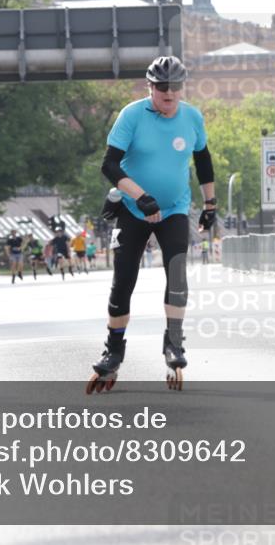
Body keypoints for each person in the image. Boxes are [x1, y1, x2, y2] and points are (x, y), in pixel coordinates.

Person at [87, 55, 216, 393]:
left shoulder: (192, 117)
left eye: (175, 87)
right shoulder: (131, 115)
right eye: (161, 87)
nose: (169, 93)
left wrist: (211, 203)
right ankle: (113, 351)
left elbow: (203, 159)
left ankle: (173, 342)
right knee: (123, 278)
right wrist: (140, 196)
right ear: (151, 87)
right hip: (132, 207)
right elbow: (110, 165)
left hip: (174, 207)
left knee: (177, 270)